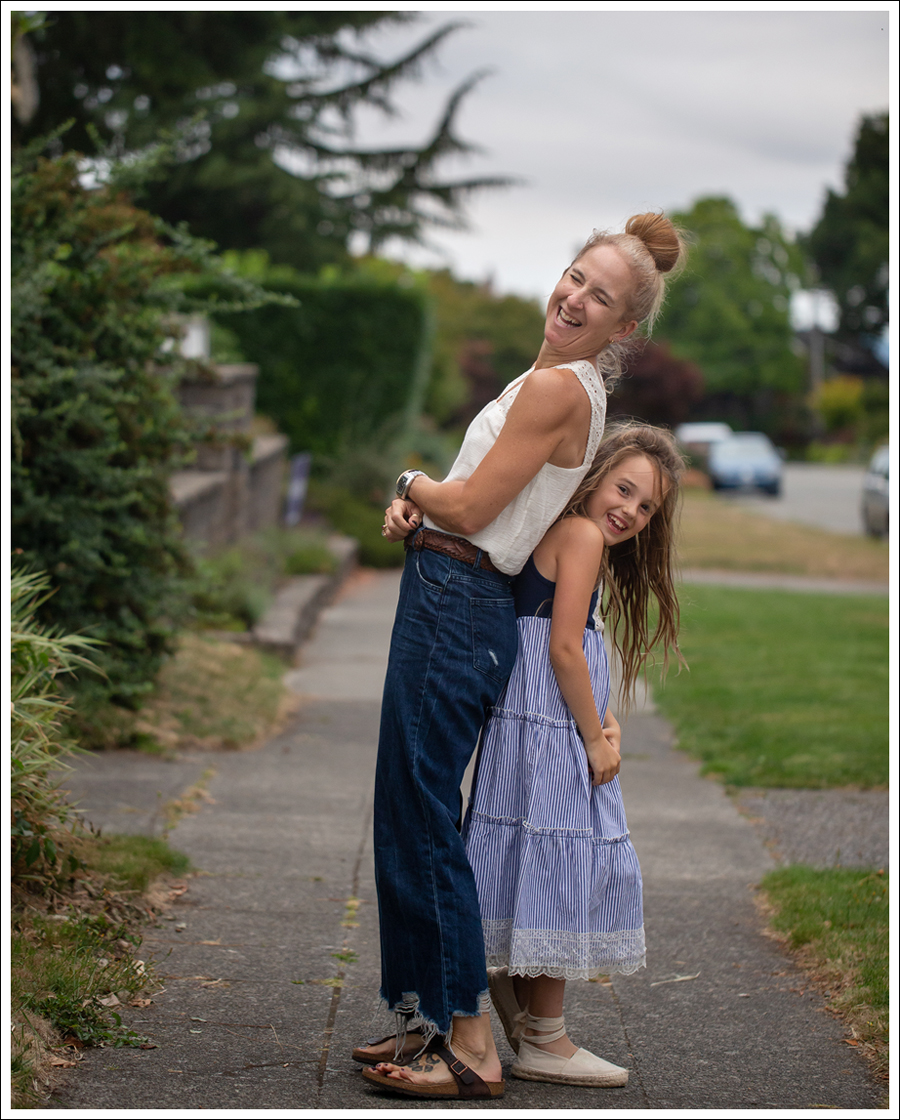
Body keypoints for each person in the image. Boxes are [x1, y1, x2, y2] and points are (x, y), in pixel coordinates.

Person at [357, 214, 686, 1101]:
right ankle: (423, 1013)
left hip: (456, 597)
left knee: (423, 815)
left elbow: (469, 510)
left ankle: (469, 1040)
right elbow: (487, 508)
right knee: (408, 807)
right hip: (452, 588)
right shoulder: (556, 382)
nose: (574, 298)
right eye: (575, 276)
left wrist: (408, 484)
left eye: (600, 297)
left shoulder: (558, 389)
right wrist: (421, 513)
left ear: (623, 327)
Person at [462, 423, 685, 1088]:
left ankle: (523, 1002)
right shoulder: (583, 535)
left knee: (534, 856)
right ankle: (546, 1040)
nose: (631, 511)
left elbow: (563, 645)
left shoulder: (558, 530)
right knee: (563, 862)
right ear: (595, 475)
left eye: (647, 507)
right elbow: (563, 649)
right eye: (625, 489)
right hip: (552, 733)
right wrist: (593, 735)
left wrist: (605, 716)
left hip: (529, 727)